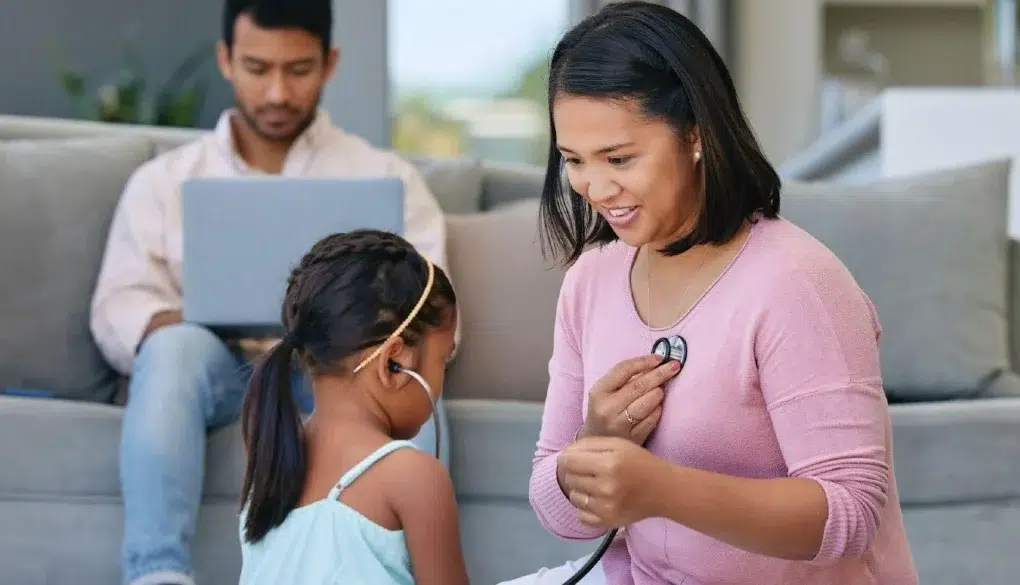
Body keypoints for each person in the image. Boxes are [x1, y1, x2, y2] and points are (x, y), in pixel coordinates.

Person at [501, 3, 918, 585]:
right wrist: (596, 443)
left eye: (620, 158)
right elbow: (554, 509)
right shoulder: (590, 281)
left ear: (695, 134)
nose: (594, 187)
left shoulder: (796, 282)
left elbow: (851, 515)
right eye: (574, 160)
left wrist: (661, 489)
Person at [88, 2, 452, 584]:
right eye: (258, 68)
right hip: (221, 368)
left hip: (342, 374)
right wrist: (199, 317)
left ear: (330, 63)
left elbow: (427, 307)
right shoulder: (165, 181)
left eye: (299, 69)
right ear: (226, 60)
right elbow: (118, 307)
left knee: (406, 374)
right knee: (173, 350)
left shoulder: (387, 179)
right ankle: (158, 575)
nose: (278, 92)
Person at [237, 229, 469, 585]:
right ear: (394, 363)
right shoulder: (415, 477)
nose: (442, 378)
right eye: (442, 359)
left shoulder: (272, 468)